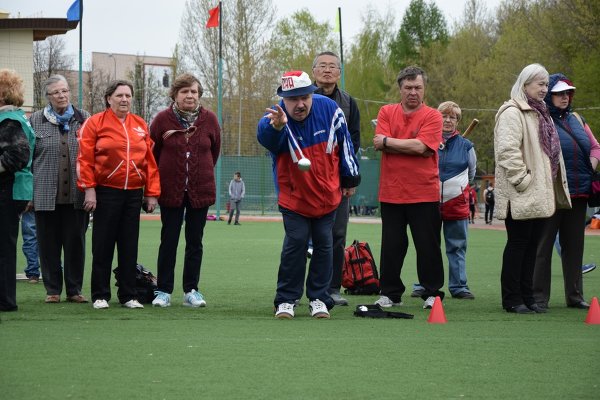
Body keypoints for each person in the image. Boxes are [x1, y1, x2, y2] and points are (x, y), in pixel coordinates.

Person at [257, 70, 360, 319]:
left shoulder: (330, 110)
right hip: (294, 199)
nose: (300, 104)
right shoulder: (274, 118)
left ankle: (319, 298)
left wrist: (350, 177)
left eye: (304, 97)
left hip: (327, 196)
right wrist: (277, 128)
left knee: (325, 245)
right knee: (296, 242)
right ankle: (286, 299)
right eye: (293, 99)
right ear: (283, 99)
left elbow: (345, 145)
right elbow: (266, 138)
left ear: (312, 93)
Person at [494, 63, 570, 314]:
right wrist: (523, 180)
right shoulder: (512, 112)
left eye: (546, 84)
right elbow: (507, 152)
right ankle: (512, 299)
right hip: (521, 191)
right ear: (524, 84)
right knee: (518, 244)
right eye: (540, 83)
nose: (544, 88)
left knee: (532, 245)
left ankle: (528, 297)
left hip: (538, 192)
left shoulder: (541, 113)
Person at [77, 80, 160, 310]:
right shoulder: (94, 123)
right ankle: (100, 294)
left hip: (133, 194)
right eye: (119, 95)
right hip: (106, 192)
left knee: (129, 245)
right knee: (102, 245)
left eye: (128, 95)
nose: (124, 99)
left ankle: (128, 295)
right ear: (109, 98)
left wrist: (151, 193)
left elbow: (150, 163)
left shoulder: (140, 125)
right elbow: (84, 159)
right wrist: (89, 189)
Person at [372, 66, 445, 310]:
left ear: (424, 89)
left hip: (424, 192)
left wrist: (389, 142)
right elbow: (383, 143)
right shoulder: (386, 111)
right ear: (400, 89)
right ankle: (390, 293)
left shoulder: (434, 116)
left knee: (428, 245)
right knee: (392, 245)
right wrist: (410, 144)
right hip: (391, 192)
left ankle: (432, 292)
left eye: (418, 87)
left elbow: (422, 148)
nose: (413, 92)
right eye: (408, 88)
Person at [149, 73, 220, 308]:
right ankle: (163, 291)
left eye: (194, 91)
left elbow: (214, 152)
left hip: (200, 191)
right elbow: (153, 154)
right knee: (168, 240)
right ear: (175, 95)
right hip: (171, 191)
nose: (190, 95)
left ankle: (191, 290)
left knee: (195, 241)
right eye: (185, 91)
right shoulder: (161, 120)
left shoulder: (210, 120)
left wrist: (199, 172)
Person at [533, 74, 600, 310]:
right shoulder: (540, 119)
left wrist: (590, 167)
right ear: (549, 95)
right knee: (543, 246)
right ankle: (539, 297)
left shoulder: (577, 119)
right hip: (552, 192)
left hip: (579, 193)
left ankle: (575, 296)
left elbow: (595, 147)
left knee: (574, 247)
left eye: (567, 93)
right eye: (559, 93)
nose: (565, 97)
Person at [29, 74, 90, 303]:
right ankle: (52, 290)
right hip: (44, 196)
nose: (61, 95)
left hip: (78, 195)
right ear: (48, 97)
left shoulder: (85, 119)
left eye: (64, 90)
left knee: (76, 244)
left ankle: (74, 290)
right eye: (56, 92)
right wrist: (28, 194)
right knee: (48, 245)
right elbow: (28, 159)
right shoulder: (35, 120)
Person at [411, 101, 477, 300]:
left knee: (456, 245)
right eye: (444, 116)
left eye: (453, 117)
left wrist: (456, 188)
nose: (448, 120)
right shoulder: (426, 140)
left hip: (456, 203)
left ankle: (458, 286)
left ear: (457, 121)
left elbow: (471, 173)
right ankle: (424, 284)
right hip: (428, 202)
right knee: (427, 245)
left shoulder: (467, 147)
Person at [312, 51, 361, 306]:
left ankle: (331, 288)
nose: (328, 70)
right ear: (314, 72)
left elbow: (354, 142)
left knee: (337, 234)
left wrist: (350, 179)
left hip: (337, 181)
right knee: (301, 237)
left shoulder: (349, 103)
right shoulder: (302, 97)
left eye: (333, 66)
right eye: (323, 66)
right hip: (307, 180)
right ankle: (297, 288)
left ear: (339, 73)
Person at [0, 69, 34, 312]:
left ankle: (5, 301)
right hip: (12, 189)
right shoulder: (14, 118)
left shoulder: (10, 120)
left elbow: (18, 155)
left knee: (3, 247)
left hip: (8, 190)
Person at [20, 210, 40, 283]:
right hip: (51, 204)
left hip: (30, 203)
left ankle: (33, 272)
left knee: (30, 238)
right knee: (50, 237)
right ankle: (53, 271)